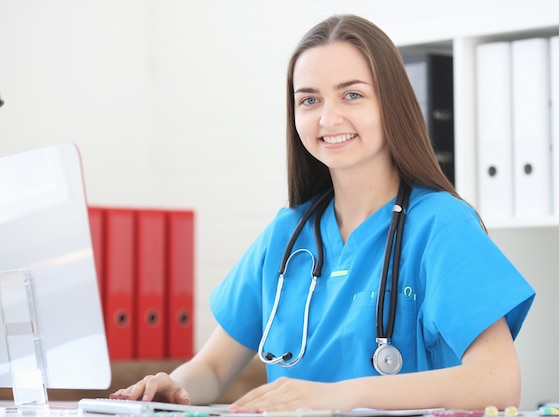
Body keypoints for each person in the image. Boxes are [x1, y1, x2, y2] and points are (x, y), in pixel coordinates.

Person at [111, 14, 535, 413]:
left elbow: (498, 381)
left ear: (391, 103)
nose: (328, 118)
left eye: (352, 94)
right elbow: (213, 369)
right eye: (309, 100)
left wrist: (343, 396)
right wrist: (173, 387)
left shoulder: (441, 225)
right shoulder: (287, 234)